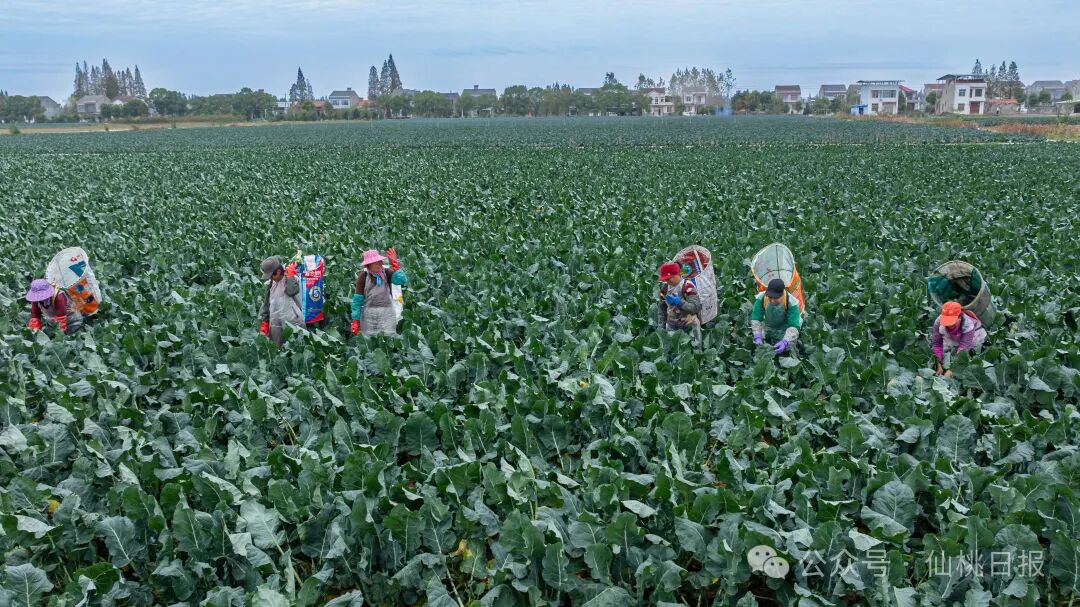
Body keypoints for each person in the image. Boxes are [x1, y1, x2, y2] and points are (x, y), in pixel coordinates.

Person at [351, 248, 407, 336]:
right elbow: (357, 300)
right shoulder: (363, 276)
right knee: (369, 339)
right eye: (376, 262)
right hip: (369, 313)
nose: (380, 263)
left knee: (389, 338)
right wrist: (355, 320)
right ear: (368, 265)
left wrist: (395, 264)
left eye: (380, 261)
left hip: (387, 312)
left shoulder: (387, 272)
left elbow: (402, 280)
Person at [932, 300, 987, 377]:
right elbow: (937, 344)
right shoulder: (938, 322)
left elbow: (963, 350)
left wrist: (952, 370)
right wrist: (938, 363)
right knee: (946, 353)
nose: (949, 325)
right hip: (953, 337)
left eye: (951, 322)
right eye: (946, 321)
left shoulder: (968, 325)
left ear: (959, 317)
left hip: (974, 337)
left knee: (971, 356)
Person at [656, 262, 702, 348]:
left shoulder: (688, 286)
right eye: (666, 280)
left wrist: (680, 303)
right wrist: (661, 326)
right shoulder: (664, 288)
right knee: (673, 350)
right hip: (672, 325)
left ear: (677, 274)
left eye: (669, 278)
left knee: (694, 350)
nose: (668, 282)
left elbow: (696, 307)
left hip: (689, 326)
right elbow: (662, 308)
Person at [259, 256, 303, 346]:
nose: (271, 278)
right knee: (276, 350)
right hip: (276, 325)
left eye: (272, 276)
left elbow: (291, 291)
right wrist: (265, 322)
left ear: (279, 271)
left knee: (296, 348)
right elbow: (266, 305)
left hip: (294, 323)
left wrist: (290, 276)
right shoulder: (270, 284)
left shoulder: (292, 279)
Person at [751, 278, 801, 355]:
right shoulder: (762, 298)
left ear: (782, 294)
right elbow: (756, 318)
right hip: (768, 326)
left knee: (788, 350)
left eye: (776, 298)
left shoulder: (791, 303)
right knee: (761, 347)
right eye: (770, 297)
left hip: (785, 329)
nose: (772, 300)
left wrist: (785, 341)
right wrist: (757, 335)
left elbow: (794, 326)